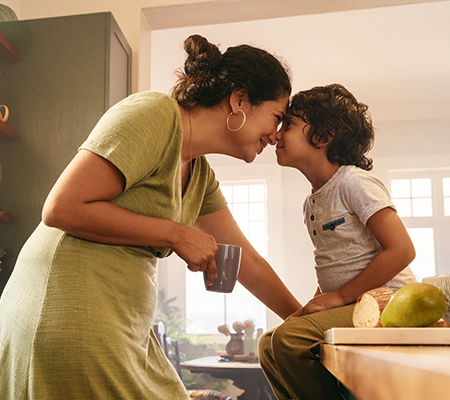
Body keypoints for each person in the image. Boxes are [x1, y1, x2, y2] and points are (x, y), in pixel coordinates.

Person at [0, 34, 301, 400]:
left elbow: (246, 259)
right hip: (67, 308)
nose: (276, 134)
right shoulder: (154, 115)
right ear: (239, 100)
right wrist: (176, 234)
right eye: (277, 117)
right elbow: (61, 207)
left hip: (122, 323)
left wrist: (302, 321)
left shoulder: (200, 174)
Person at [258, 84, 416, 400]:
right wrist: (315, 303)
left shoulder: (353, 182)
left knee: (289, 340)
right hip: (352, 301)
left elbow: (402, 250)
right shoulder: (312, 203)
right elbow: (335, 264)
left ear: (323, 136)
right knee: (268, 344)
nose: (276, 135)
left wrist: (338, 296)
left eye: (288, 124)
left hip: (390, 301)